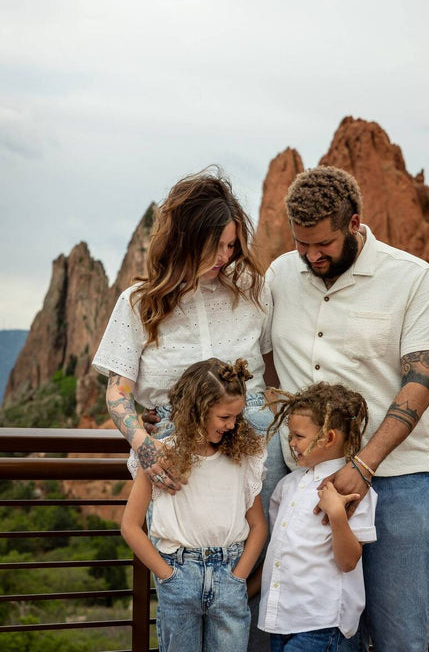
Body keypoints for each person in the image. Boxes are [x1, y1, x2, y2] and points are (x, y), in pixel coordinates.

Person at [267, 165, 429, 652]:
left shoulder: (413, 278)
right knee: (317, 635)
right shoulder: (280, 274)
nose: (311, 256)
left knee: (400, 637)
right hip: (305, 489)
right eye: (301, 244)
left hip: (396, 483)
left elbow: (421, 381)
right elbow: (260, 360)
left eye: (323, 245)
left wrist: (364, 463)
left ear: (354, 224)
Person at [92, 168, 287, 513]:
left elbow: (273, 371)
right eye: (214, 247)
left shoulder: (253, 290)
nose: (224, 257)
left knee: (262, 554)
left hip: (254, 437)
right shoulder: (139, 302)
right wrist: (144, 445)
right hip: (172, 447)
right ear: (185, 239)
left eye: (230, 245)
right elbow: (117, 392)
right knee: (178, 553)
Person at [121, 357, 268, 652]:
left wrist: (238, 576)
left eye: (237, 417)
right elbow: (130, 526)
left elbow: (258, 526)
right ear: (199, 410)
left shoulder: (242, 457)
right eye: (224, 417)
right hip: (179, 577)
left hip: (229, 574)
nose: (233, 425)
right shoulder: (159, 457)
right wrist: (167, 576)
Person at [258, 382, 377, 652]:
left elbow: (348, 561)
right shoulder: (286, 486)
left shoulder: (353, 490)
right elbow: (276, 553)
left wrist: (336, 513)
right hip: (281, 620)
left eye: (299, 436)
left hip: (321, 624)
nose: (291, 443)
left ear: (329, 438)